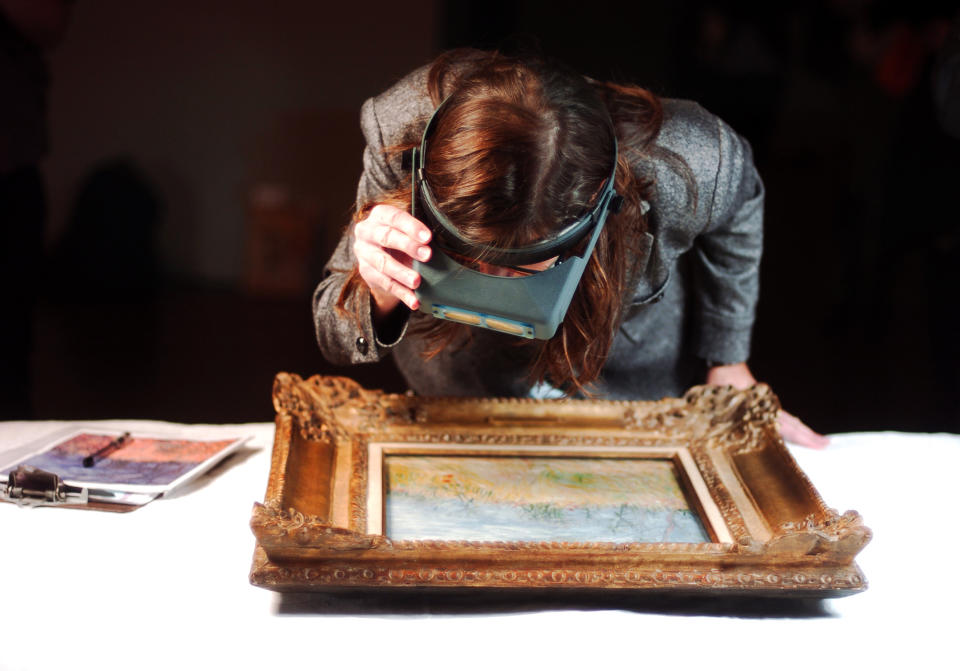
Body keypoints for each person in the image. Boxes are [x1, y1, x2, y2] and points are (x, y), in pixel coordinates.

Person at [313, 48, 827, 448]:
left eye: (521, 264)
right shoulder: (398, 127)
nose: (497, 287)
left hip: (627, 397)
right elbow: (333, 330)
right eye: (468, 258)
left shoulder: (690, 159)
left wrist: (727, 357)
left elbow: (741, 204)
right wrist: (378, 291)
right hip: (459, 399)